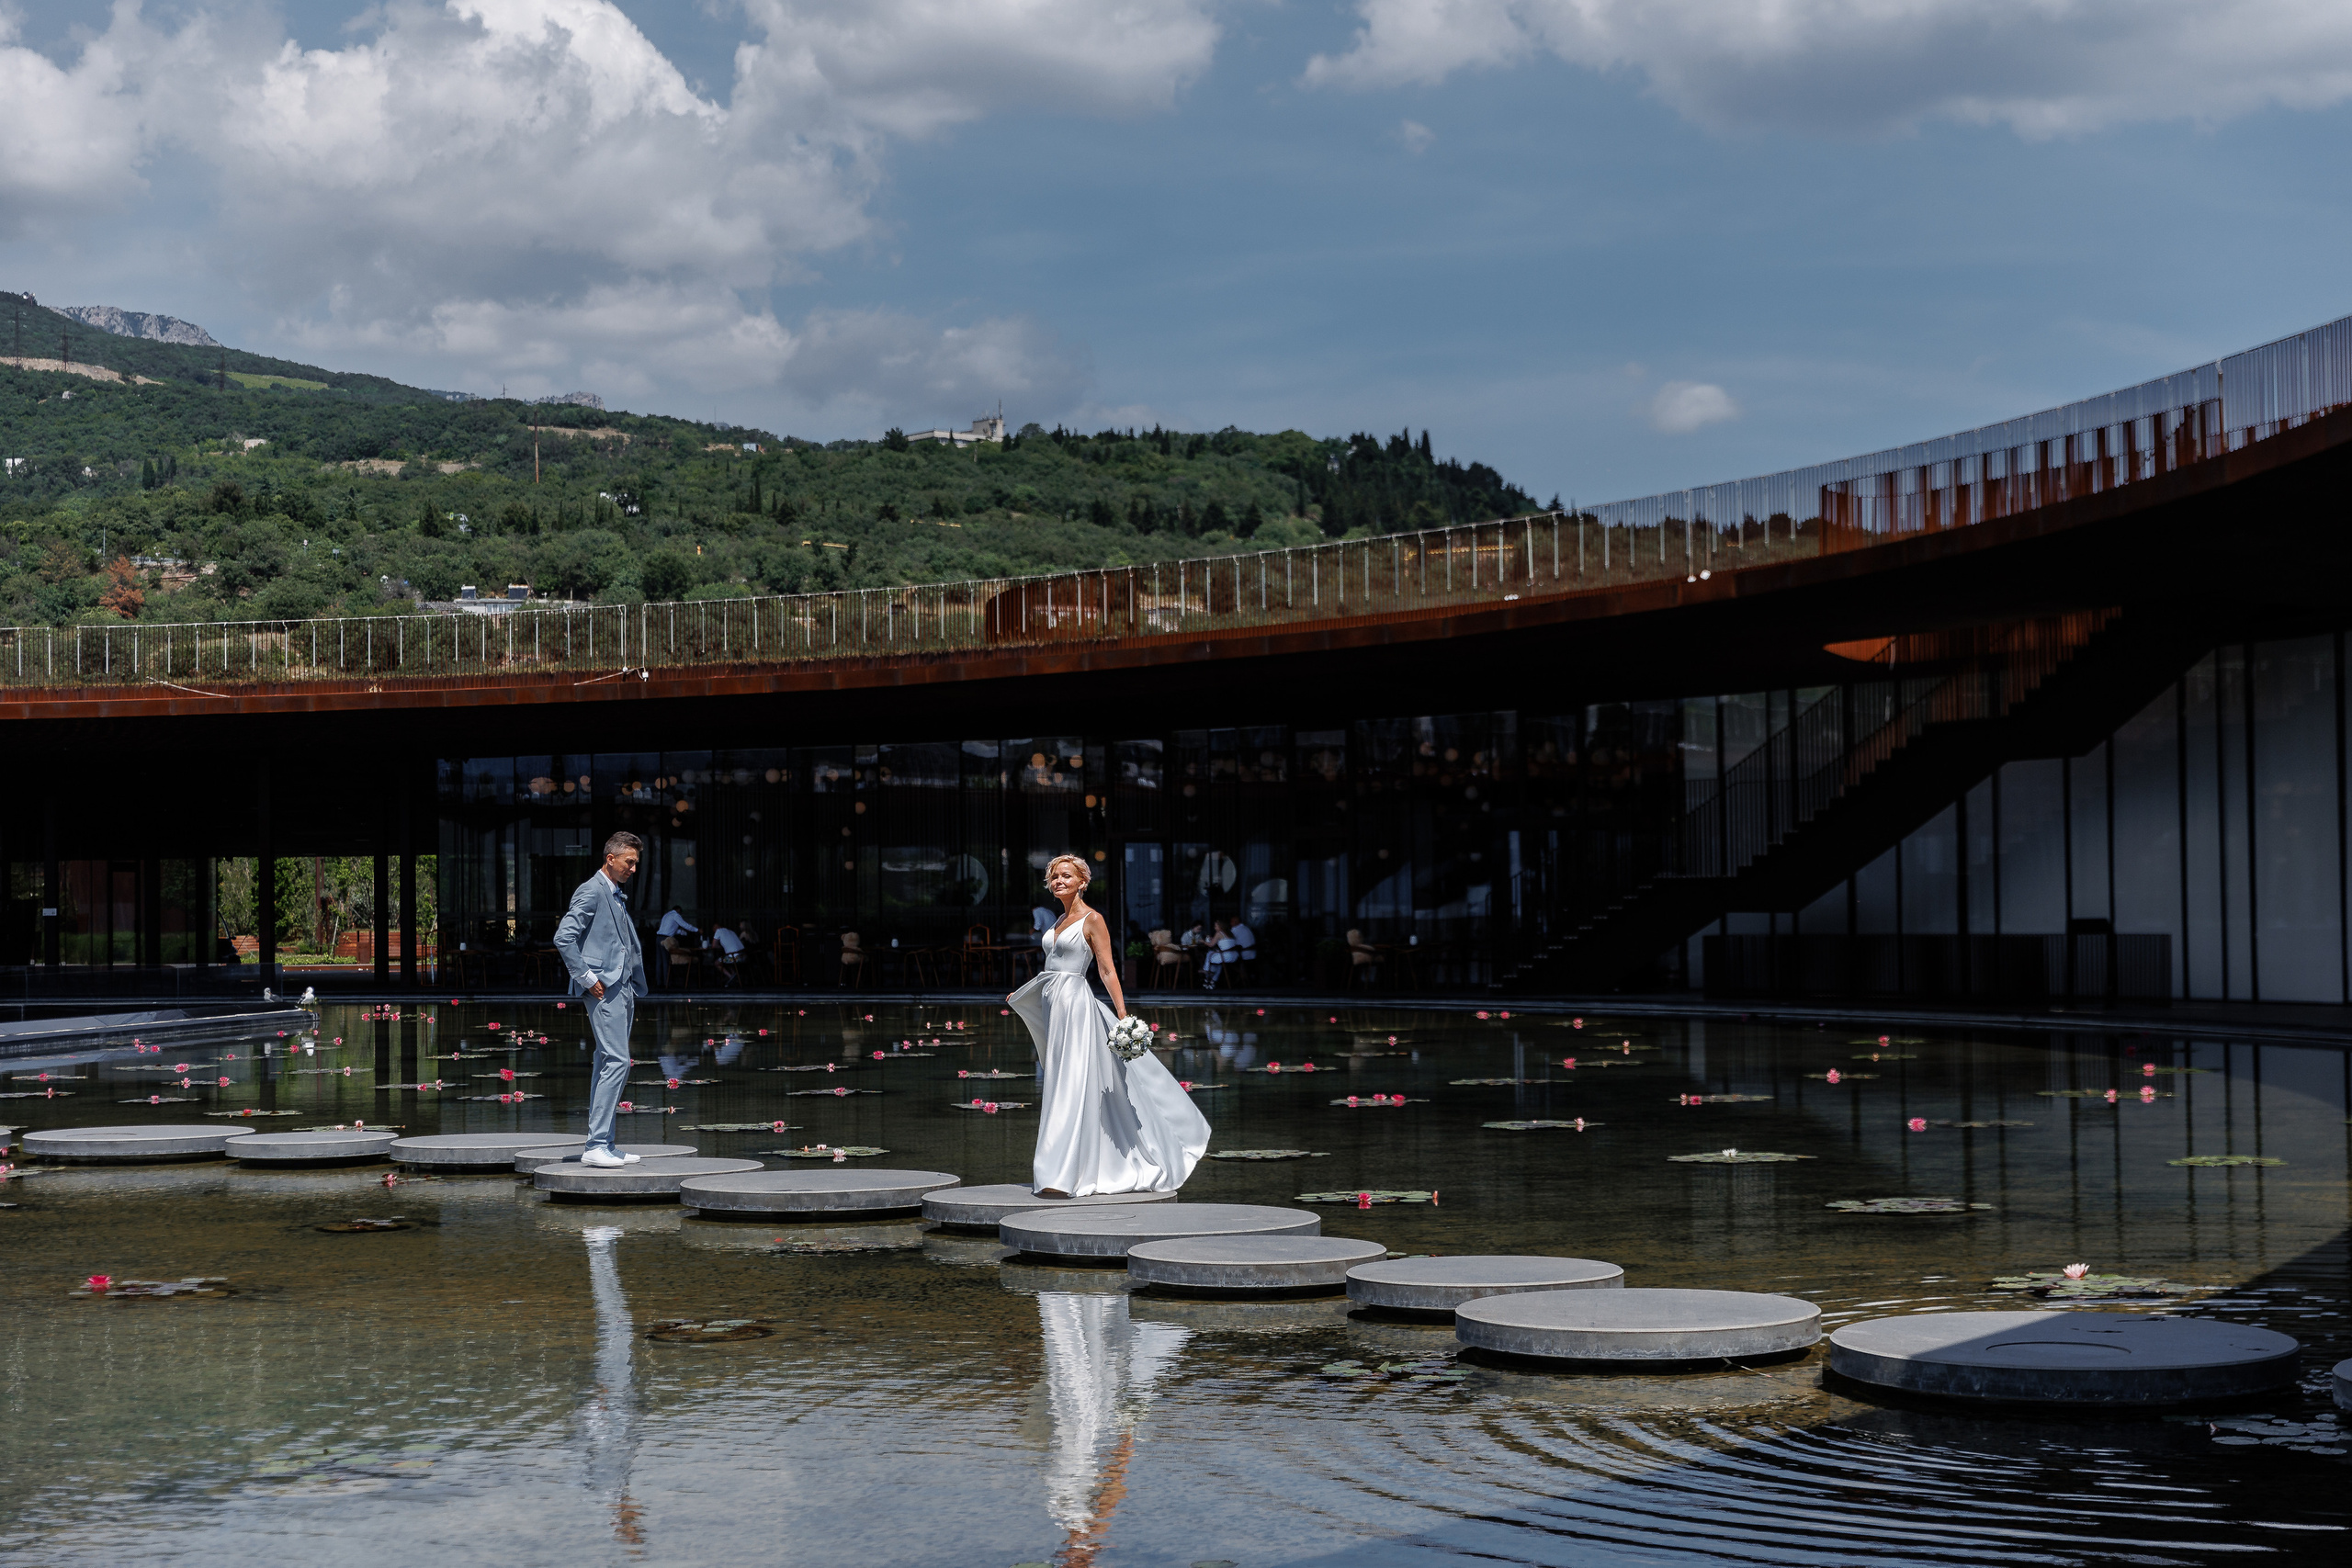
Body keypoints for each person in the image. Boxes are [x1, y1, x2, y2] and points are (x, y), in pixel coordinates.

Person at [1007, 854, 1208, 1199]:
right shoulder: (1057, 919)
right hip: (1054, 1005)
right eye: (1054, 877)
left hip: (1076, 1005)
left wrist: (1123, 1016)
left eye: (1066, 876)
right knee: (1059, 1082)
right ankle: (1064, 1168)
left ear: (1082, 881)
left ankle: (1062, 1173)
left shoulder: (1093, 918)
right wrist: (1025, 992)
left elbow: (1107, 970)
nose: (1058, 882)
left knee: (1073, 1083)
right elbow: (1051, 968)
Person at [555, 831, 650, 1168]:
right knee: (616, 1061)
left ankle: (605, 1143)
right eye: (629, 862)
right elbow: (564, 938)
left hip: (622, 988)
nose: (633, 869)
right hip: (603, 988)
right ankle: (596, 1145)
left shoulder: (613, 892)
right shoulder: (591, 890)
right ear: (610, 859)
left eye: (636, 863)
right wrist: (587, 978)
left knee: (607, 1062)